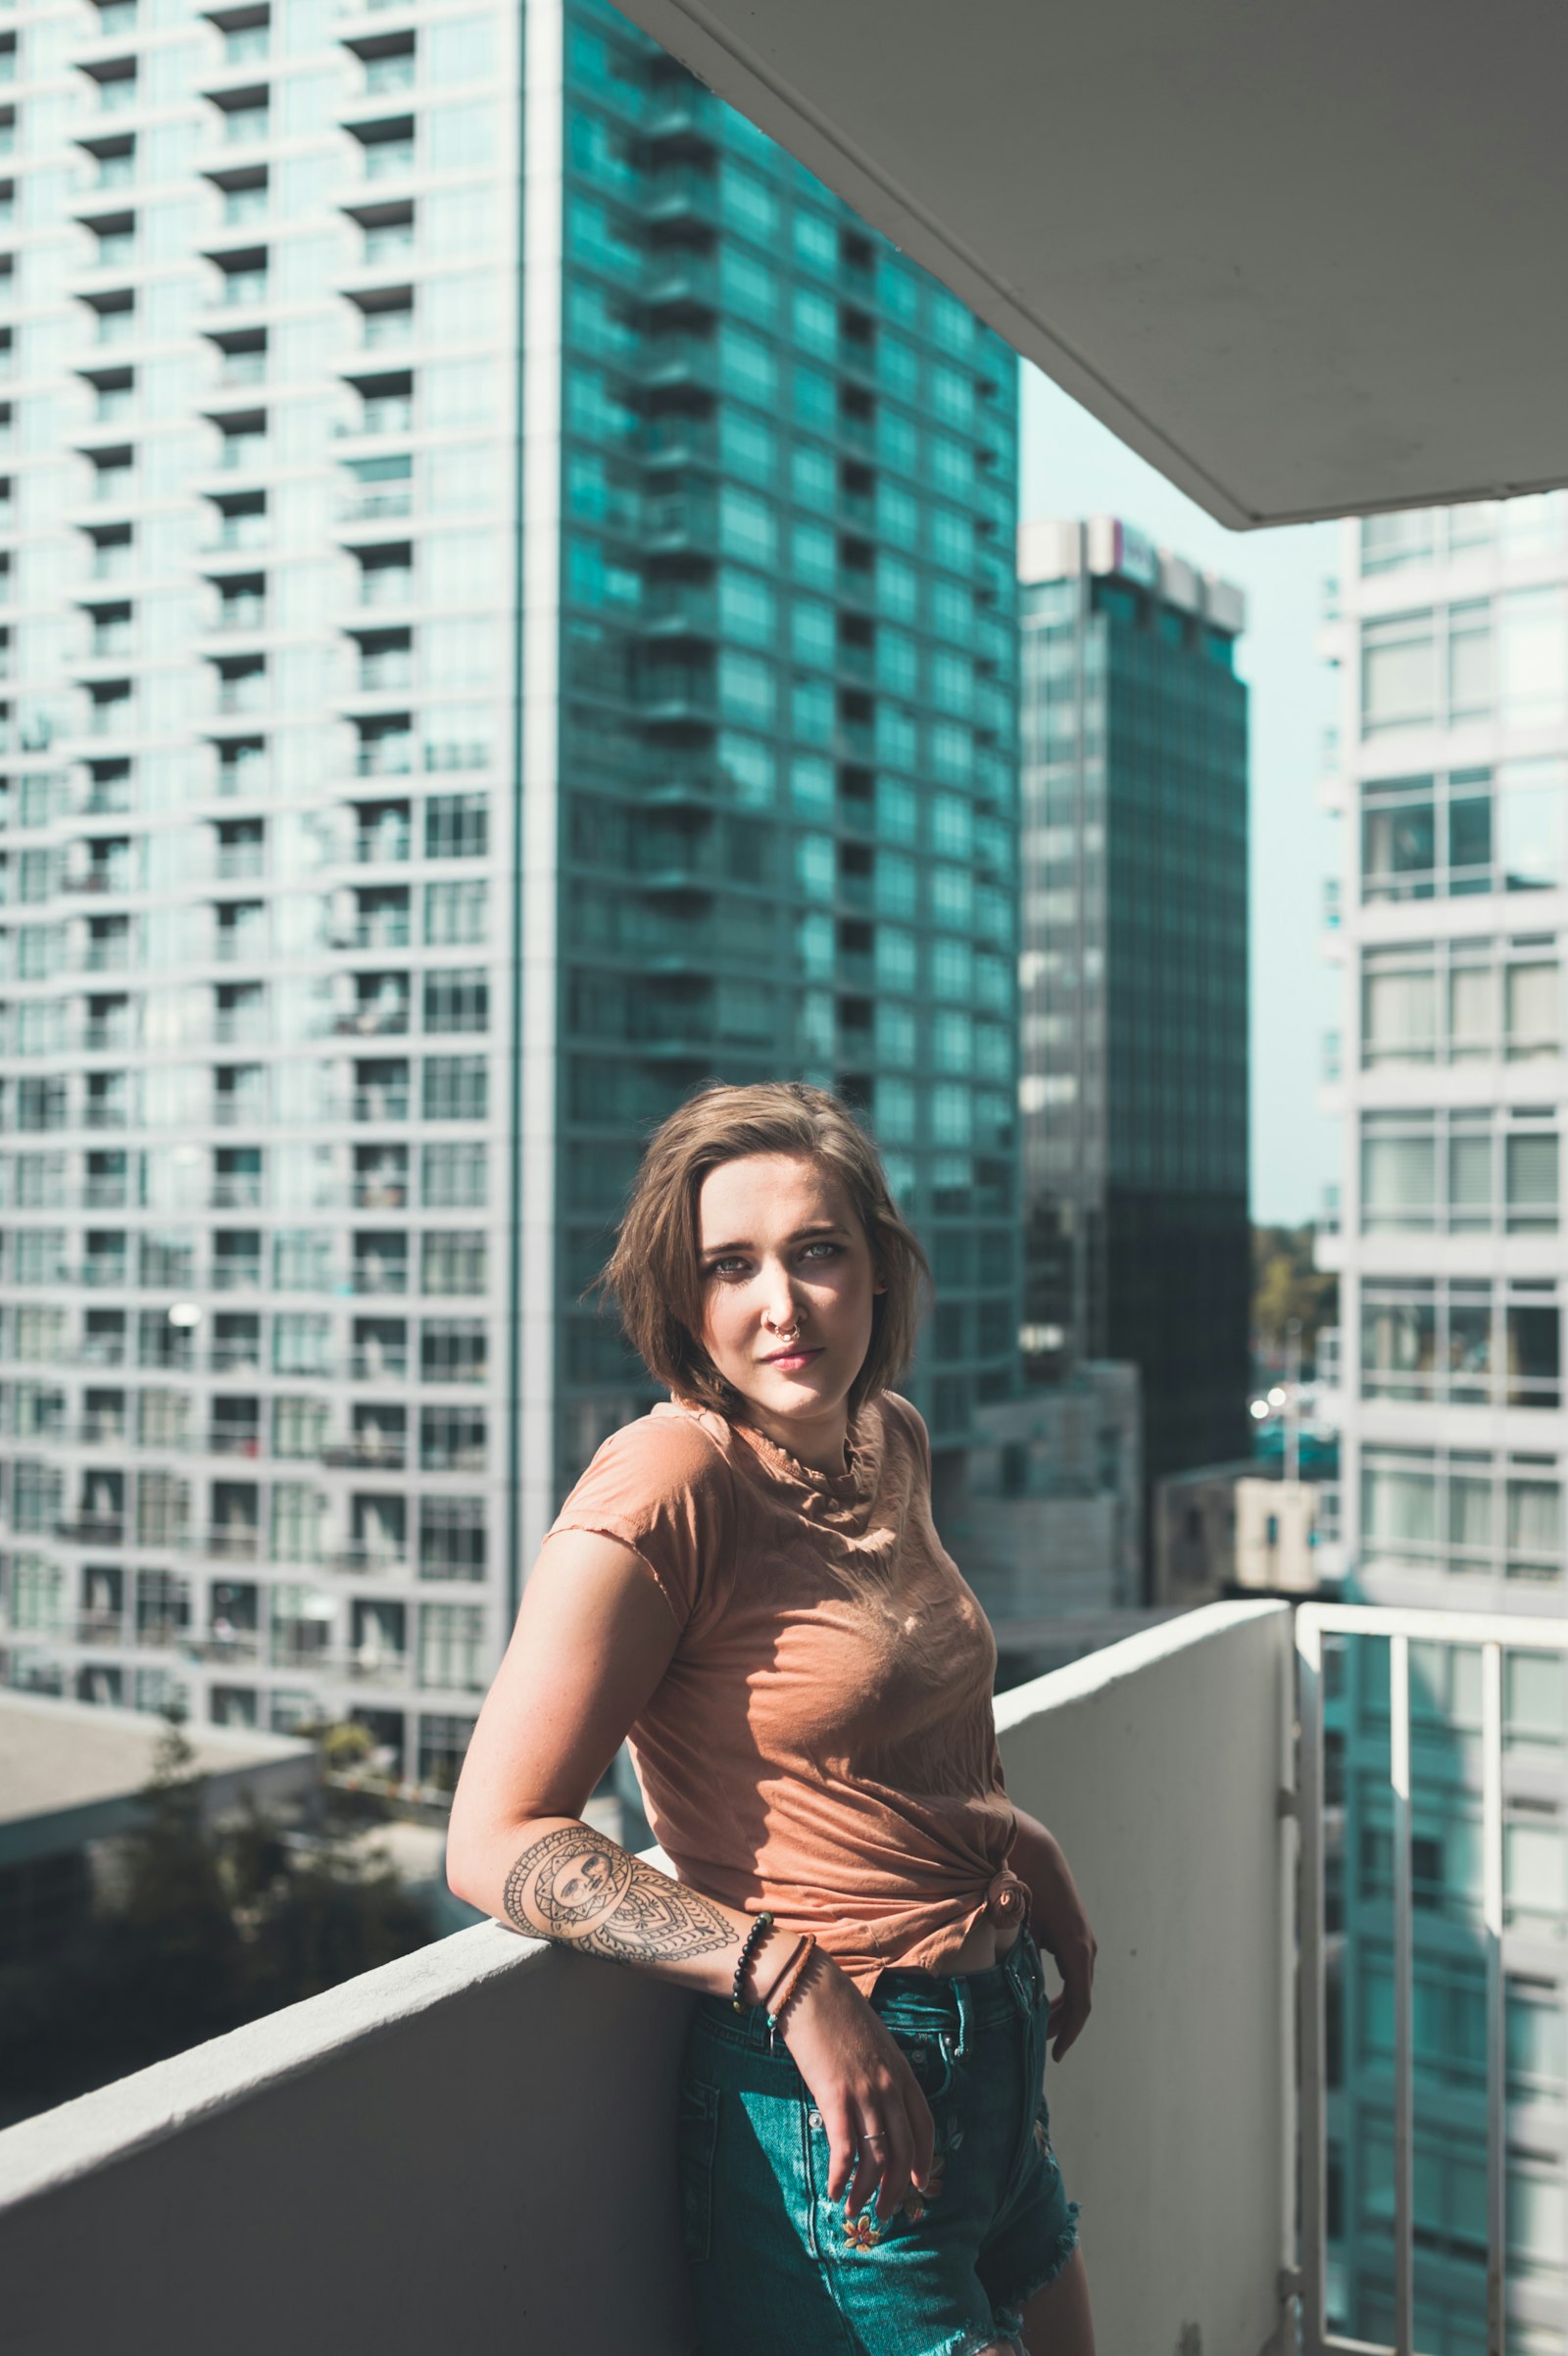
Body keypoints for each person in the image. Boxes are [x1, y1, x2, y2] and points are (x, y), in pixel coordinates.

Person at [447, 1082, 1098, 2356]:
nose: (781, 1305)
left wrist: (1030, 1856)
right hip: (837, 2101)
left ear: (879, 1270)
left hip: (993, 2045)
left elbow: (880, 1742)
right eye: (730, 1266)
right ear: (681, 1300)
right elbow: (491, 1838)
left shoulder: (885, 1438)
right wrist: (788, 1978)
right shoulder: (668, 1482)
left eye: (816, 1253)